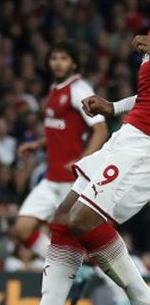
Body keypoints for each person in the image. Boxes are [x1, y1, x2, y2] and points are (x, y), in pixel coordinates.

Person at [0, 0, 150, 305]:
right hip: (130, 134)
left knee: (82, 219)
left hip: (146, 145)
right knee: (65, 218)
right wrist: (113, 107)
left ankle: (145, 303)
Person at [13, 41, 108, 260]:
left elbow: (101, 130)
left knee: (86, 241)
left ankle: (116, 287)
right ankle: (69, 266)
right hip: (52, 178)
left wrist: (83, 161)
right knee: (22, 228)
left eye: (64, 58)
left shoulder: (79, 89)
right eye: (54, 58)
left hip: (72, 182)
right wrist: (38, 144)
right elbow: (60, 129)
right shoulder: (55, 90)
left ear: (74, 64)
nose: (58, 63)